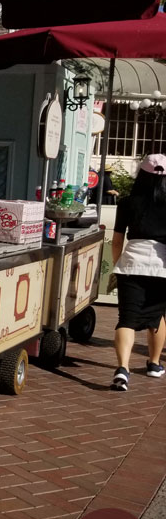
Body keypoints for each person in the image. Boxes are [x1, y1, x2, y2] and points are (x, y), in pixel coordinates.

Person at [110, 154, 166, 390]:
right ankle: (154, 364)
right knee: (157, 316)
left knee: (127, 318)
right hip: (162, 267)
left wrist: (117, 265)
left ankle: (123, 370)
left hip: (131, 263)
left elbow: (116, 240)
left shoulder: (127, 202)